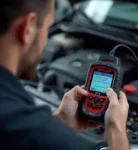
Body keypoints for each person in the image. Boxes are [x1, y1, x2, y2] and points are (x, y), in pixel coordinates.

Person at [0, 0, 129, 150]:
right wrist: (117, 131)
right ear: (28, 28)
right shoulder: (44, 137)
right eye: (48, 27)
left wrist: (60, 121)